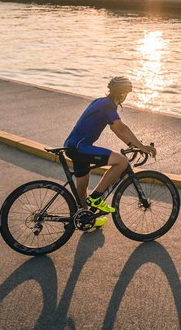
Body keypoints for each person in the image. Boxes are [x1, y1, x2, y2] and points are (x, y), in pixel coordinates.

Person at [63, 76, 156, 229]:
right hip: (81, 147)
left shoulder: (100, 101)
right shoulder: (108, 105)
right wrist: (142, 147)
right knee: (121, 161)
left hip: (72, 145)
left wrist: (131, 144)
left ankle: (85, 218)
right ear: (122, 95)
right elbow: (121, 128)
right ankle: (96, 198)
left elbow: (116, 129)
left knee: (83, 183)